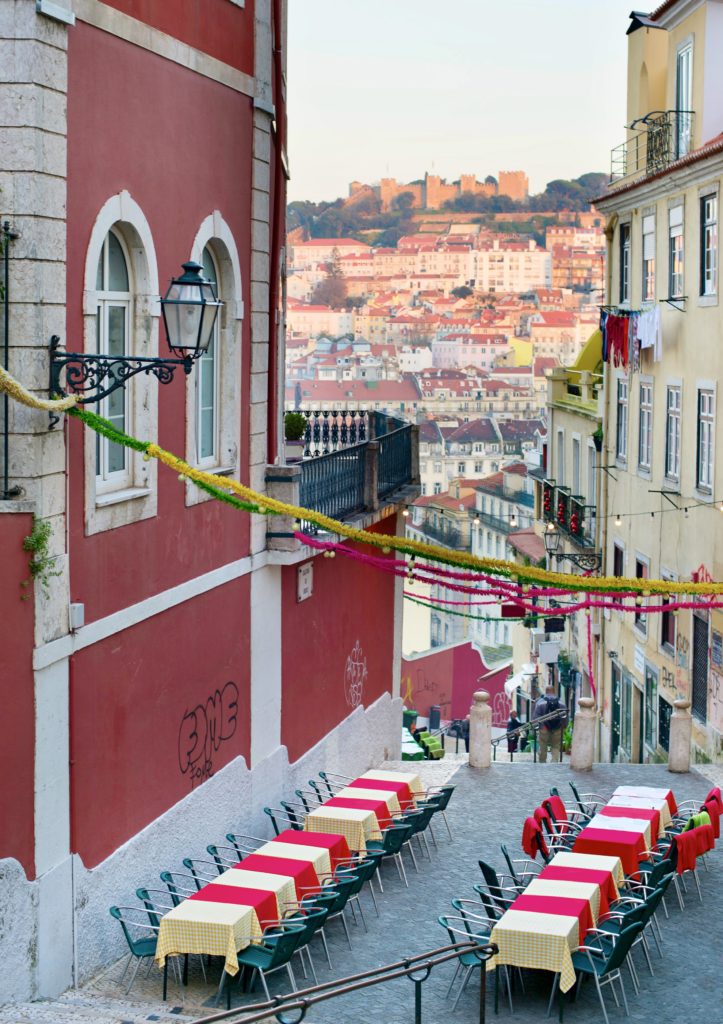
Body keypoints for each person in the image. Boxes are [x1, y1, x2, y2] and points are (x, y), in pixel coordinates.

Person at [533, 685, 567, 763]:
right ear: (554, 691)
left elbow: (536, 717)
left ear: (546, 691)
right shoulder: (561, 702)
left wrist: (541, 726)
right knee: (556, 746)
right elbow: (565, 716)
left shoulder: (540, 702)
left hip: (544, 727)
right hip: (557, 728)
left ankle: (542, 761)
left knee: (543, 746)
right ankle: (554, 761)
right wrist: (563, 727)